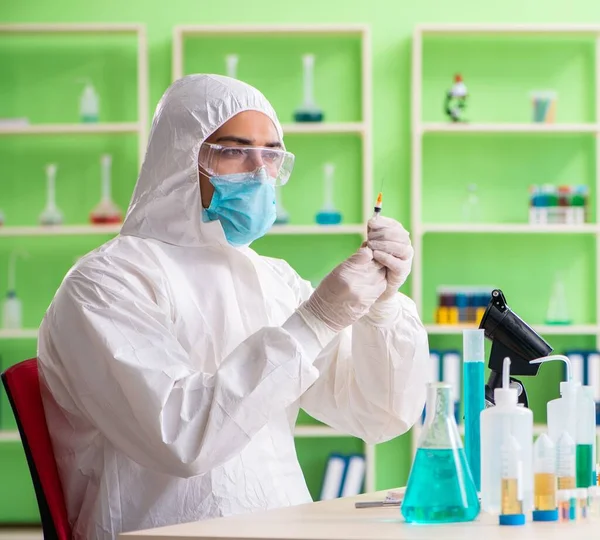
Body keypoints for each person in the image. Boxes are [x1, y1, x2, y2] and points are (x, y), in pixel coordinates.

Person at [38, 74, 428, 540]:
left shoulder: (271, 277)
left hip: (283, 522)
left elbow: (376, 414)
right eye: (235, 151)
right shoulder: (106, 283)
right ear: (181, 159)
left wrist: (381, 310)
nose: (260, 172)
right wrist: (315, 321)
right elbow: (181, 439)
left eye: (272, 154)